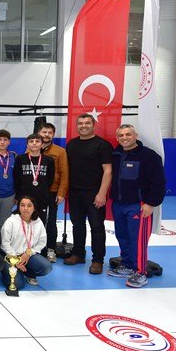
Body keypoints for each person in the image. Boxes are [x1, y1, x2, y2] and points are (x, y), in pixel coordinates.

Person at [108, 124, 166, 288]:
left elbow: (159, 182)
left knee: (138, 240)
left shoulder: (149, 156)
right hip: (119, 203)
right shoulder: (116, 154)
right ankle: (127, 265)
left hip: (139, 205)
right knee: (122, 235)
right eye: (121, 135)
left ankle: (141, 272)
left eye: (128, 134)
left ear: (136, 136)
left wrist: (151, 203)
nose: (124, 138)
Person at [65, 114, 113, 275]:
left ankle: (98, 260)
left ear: (93, 125)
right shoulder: (71, 144)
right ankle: (78, 254)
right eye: (80, 123)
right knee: (77, 225)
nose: (83, 126)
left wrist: (101, 194)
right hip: (75, 192)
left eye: (87, 123)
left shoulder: (102, 145)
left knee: (97, 227)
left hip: (94, 193)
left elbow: (108, 171)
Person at [0, 196, 53, 289]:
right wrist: (16, 260)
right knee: (17, 284)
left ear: (34, 207)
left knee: (46, 267)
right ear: (18, 207)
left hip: (27, 255)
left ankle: (28, 272)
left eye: (29, 206)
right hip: (10, 256)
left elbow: (42, 242)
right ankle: (9, 271)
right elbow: (4, 243)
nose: (25, 208)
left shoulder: (38, 222)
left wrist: (29, 253)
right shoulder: (11, 221)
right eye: (22, 205)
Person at [38, 123, 69, 262]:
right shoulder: (31, 148)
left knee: (50, 222)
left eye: (50, 132)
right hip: (35, 192)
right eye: (44, 132)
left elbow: (64, 173)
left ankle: (50, 249)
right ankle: (35, 248)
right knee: (34, 221)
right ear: (39, 132)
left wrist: (61, 193)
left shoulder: (60, 151)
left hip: (52, 192)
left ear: (53, 135)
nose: (47, 135)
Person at [14, 134, 55, 219]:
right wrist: (17, 196)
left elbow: (50, 179)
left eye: (37, 141)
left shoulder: (49, 160)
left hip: (41, 198)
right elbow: (17, 178)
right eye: (31, 141)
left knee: (40, 223)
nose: (34, 143)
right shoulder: (20, 159)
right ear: (27, 145)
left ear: (42, 144)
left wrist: (45, 192)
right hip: (24, 197)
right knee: (24, 224)